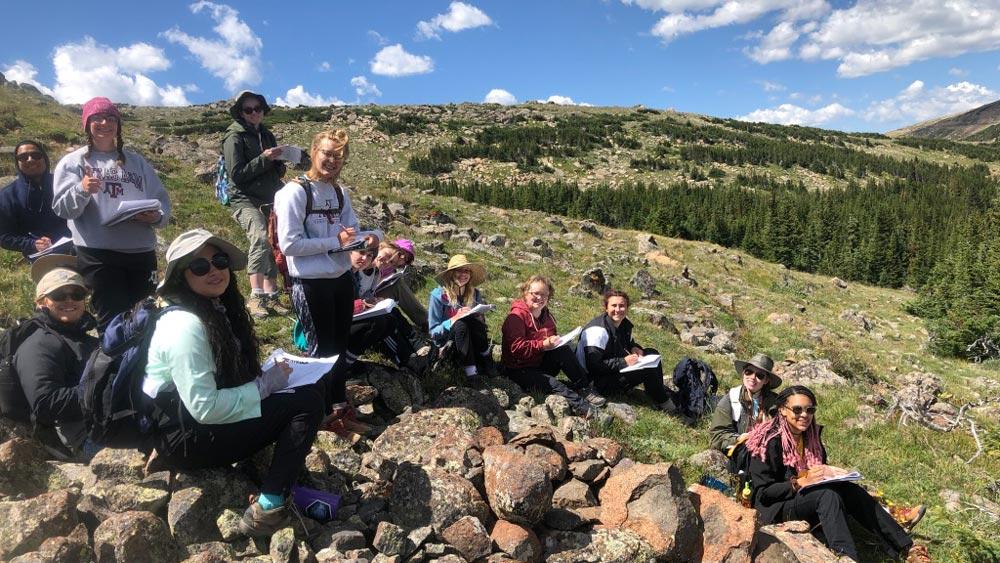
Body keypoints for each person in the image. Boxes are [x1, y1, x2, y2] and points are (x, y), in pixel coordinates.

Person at [142, 229, 323, 538]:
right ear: (180, 277)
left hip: (190, 427)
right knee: (306, 402)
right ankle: (269, 505)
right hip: (187, 440)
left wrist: (266, 381)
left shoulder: (214, 310)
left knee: (305, 393)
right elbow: (205, 408)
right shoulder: (185, 326)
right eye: (200, 267)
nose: (214, 271)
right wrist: (265, 387)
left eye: (220, 261)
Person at [746, 386, 931, 563]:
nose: (804, 415)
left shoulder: (810, 436)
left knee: (851, 491)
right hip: (776, 508)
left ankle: (907, 547)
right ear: (782, 410)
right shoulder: (767, 442)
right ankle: (846, 556)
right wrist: (799, 482)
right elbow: (763, 493)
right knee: (827, 496)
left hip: (805, 497)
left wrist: (827, 472)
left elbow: (813, 472)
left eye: (810, 410)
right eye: (797, 409)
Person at [275, 129, 381, 421]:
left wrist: (369, 238)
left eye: (339, 156)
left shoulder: (338, 192)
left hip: (340, 279)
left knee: (338, 348)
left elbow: (351, 231)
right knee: (320, 351)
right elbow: (289, 245)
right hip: (309, 283)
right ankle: (317, 415)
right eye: (327, 153)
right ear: (313, 152)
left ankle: (337, 408)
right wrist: (337, 243)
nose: (332, 161)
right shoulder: (294, 192)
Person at [51, 97, 171, 332]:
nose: (104, 122)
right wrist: (82, 189)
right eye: (97, 118)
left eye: (110, 118)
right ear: (87, 124)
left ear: (118, 124)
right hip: (99, 255)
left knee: (146, 318)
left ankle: (144, 366)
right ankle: (114, 367)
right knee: (113, 321)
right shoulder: (72, 163)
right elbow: (63, 208)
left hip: (141, 253)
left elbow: (161, 200)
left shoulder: (137, 162)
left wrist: (155, 216)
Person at [14, 255, 98, 457]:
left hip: (103, 425)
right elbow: (45, 403)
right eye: (59, 295)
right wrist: (103, 390)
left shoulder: (82, 338)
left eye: (77, 294)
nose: (69, 300)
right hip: (81, 440)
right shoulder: (39, 343)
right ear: (41, 302)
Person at [223, 90, 289, 319]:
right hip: (245, 198)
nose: (254, 113)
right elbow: (237, 174)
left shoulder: (267, 134)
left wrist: (280, 162)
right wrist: (265, 158)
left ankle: (272, 296)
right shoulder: (234, 137)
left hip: (270, 197)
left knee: (273, 245)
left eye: (257, 108)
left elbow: (275, 170)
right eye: (248, 109)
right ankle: (255, 296)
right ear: (241, 112)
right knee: (260, 238)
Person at [501, 275, 605, 416]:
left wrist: (554, 342)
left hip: (539, 362)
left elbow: (550, 339)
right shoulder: (516, 317)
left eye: (544, 294)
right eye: (535, 293)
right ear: (526, 293)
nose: (540, 297)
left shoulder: (546, 315)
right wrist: (543, 344)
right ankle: (588, 412)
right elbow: (516, 349)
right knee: (556, 385)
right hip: (519, 369)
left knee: (564, 349)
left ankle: (584, 387)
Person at [576, 289, 675, 411]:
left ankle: (655, 391)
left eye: (622, 306)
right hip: (595, 382)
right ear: (606, 308)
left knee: (651, 353)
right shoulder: (597, 331)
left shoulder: (623, 324)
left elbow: (627, 343)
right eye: (614, 305)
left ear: (627, 308)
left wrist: (635, 348)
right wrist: (624, 362)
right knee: (646, 368)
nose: (618, 309)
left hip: (611, 371)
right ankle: (665, 403)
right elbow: (593, 366)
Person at [349, 248, 426, 375]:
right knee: (381, 322)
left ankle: (411, 354)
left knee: (391, 315)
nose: (365, 258)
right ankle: (407, 359)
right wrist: (363, 304)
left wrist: (372, 300)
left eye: (369, 256)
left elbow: (366, 294)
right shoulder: (344, 274)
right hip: (343, 322)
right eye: (361, 253)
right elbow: (342, 305)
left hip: (356, 314)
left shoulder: (368, 272)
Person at [0, 141, 70, 261]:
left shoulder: (63, 183)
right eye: (23, 157)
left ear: (45, 158)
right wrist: (32, 244)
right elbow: (3, 236)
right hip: (43, 257)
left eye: (36, 155)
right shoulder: (8, 195)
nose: (30, 160)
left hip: (79, 248)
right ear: (17, 162)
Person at [428, 254, 495, 378]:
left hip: (472, 342)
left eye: (467, 271)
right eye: (459, 270)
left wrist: (479, 318)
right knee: (460, 324)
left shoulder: (475, 294)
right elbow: (433, 332)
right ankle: (471, 373)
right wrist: (453, 319)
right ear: (450, 273)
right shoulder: (437, 296)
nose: (463, 274)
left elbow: (481, 327)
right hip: (449, 346)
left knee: (473, 321)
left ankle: (486, 360)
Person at [709, 353, 781, 453]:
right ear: (743, 373)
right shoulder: (731, 399)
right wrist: (738, 439)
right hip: (741, 452)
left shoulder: (776, 403)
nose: (752, 377)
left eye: (759, 375)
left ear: (766, 380)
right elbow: (717, 435)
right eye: (749, 372)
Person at [374, 239, 429, 333]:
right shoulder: (376, 260)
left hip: (376, 295)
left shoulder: (391, 269)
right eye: (401, 254)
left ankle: (425, 321)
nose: (402, 258)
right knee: (397, 285)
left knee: (397, 284)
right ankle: (425, 320)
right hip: (365, 297)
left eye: (405, 258)